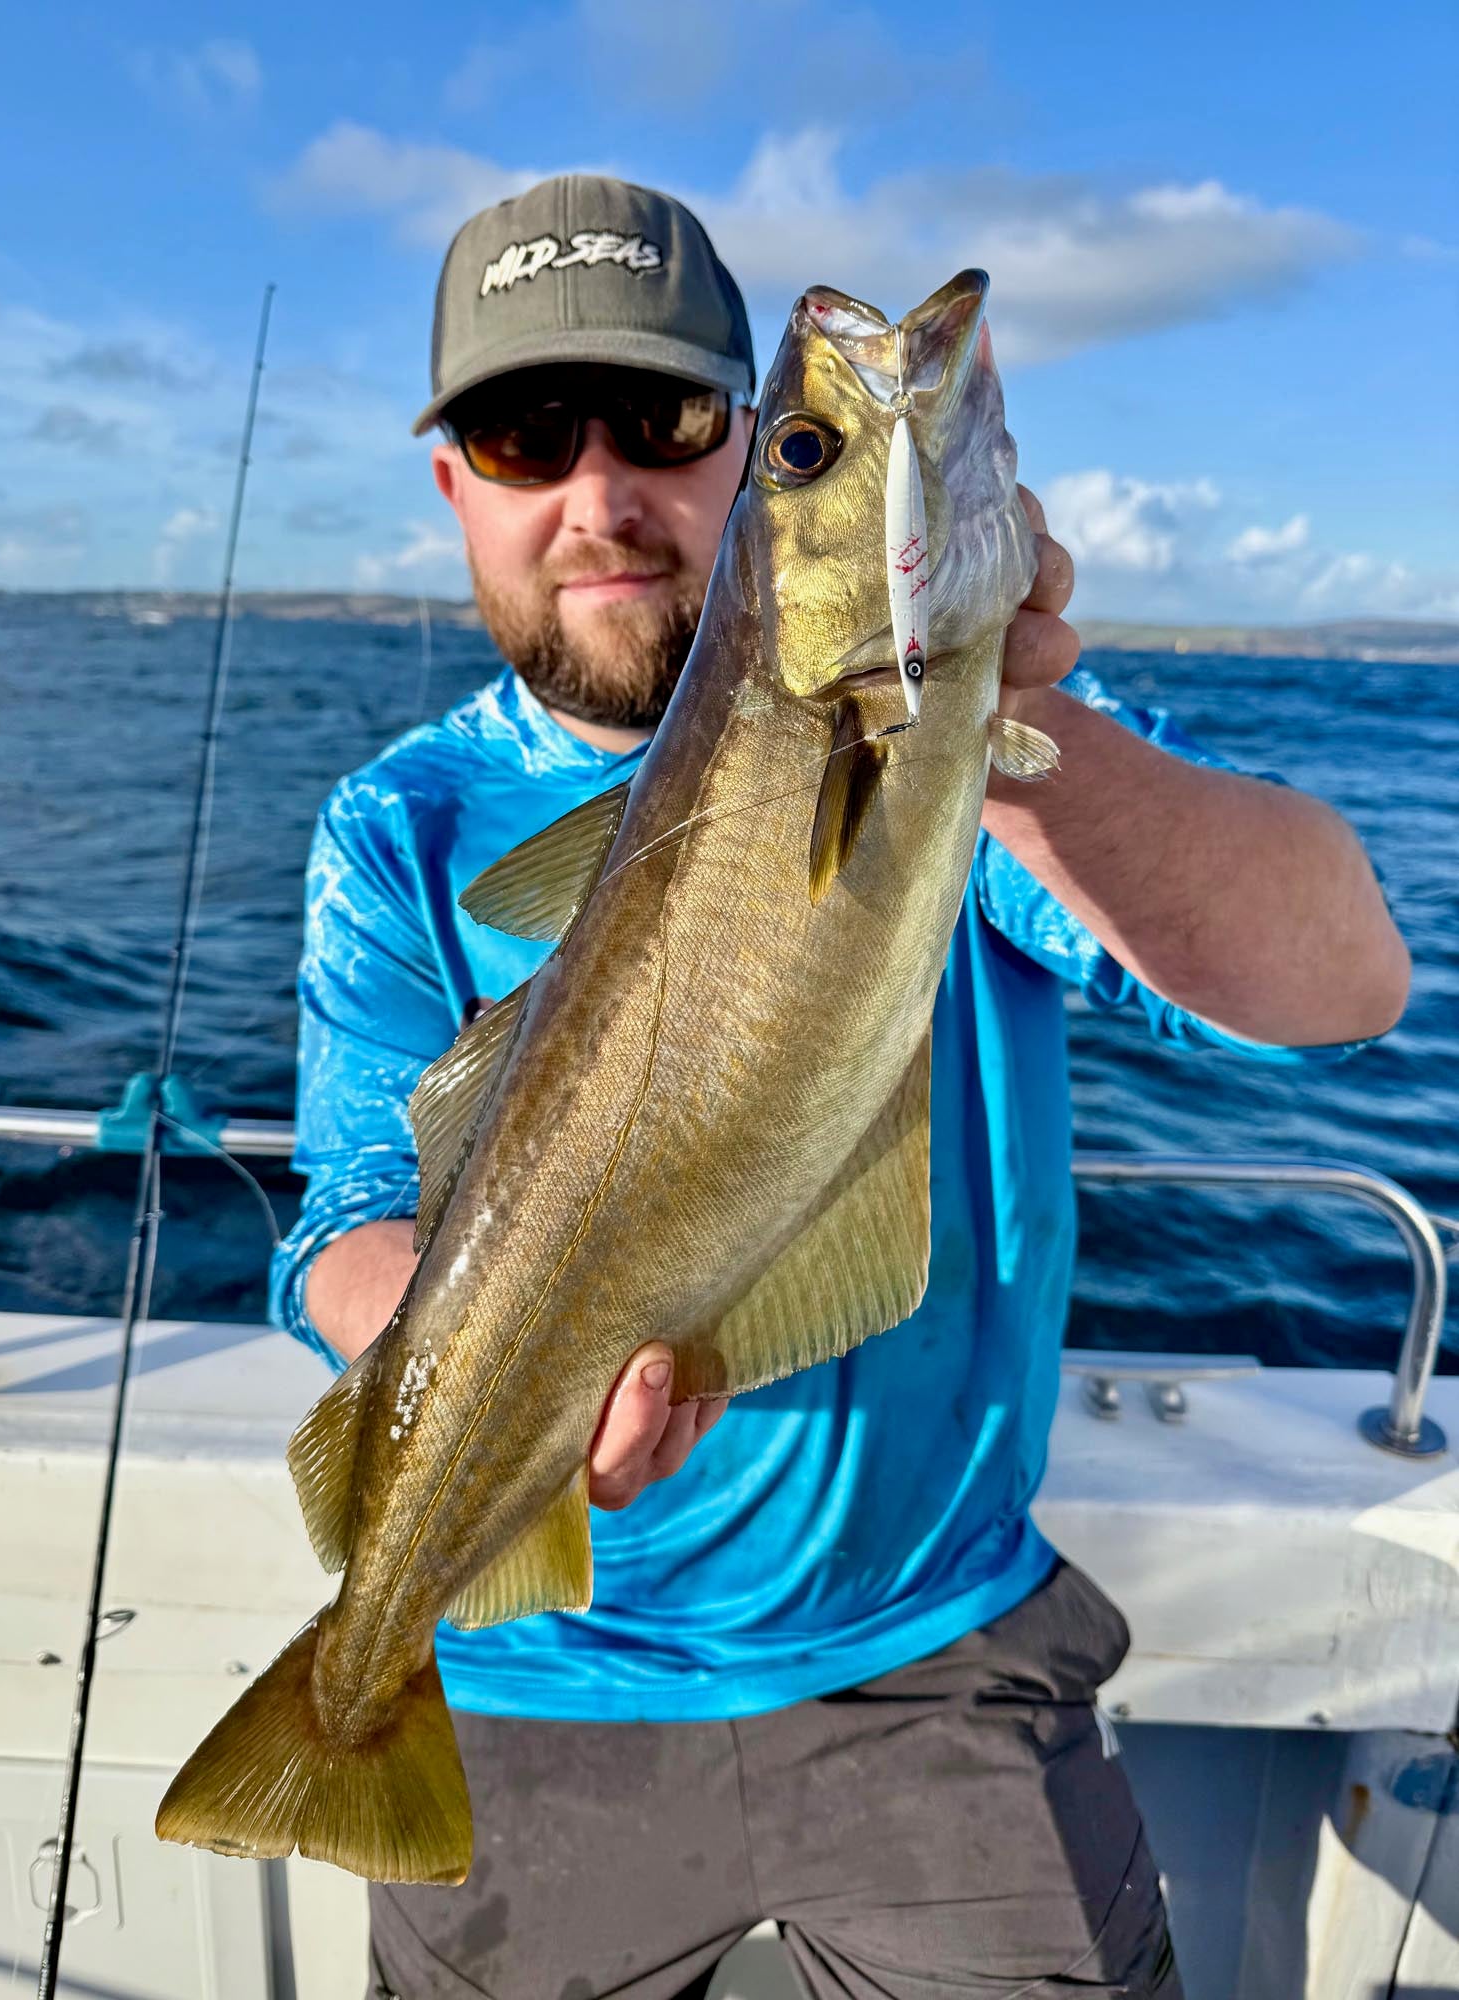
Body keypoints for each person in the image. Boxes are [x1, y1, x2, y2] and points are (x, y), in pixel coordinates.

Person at [268, 175, 1409, 2000]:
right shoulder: (396, 824)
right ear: (453, 486)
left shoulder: (993, 758)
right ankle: (355, 1688)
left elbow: (1342, 984)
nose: (599, 498)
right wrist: (485, 1386)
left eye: (672, 421)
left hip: (938, 1657)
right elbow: (348, 1214)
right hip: (527, 1674)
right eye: (525, 434)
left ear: (736, 458)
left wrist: (1001, 727)